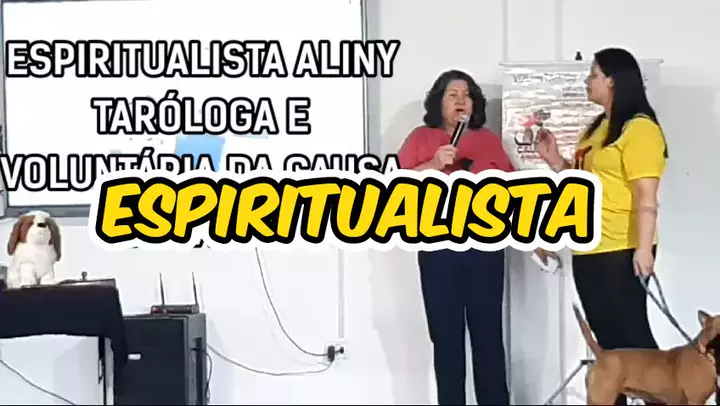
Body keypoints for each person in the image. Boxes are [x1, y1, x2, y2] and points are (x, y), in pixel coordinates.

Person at [536, 48, 668, 406]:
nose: (587, 80)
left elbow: (646, 194)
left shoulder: (639, 129)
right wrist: (556, 162)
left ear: (613, 80)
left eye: (593, 74)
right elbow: (584, 184)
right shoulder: (596, 128)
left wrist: (644, 249)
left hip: (620, 248)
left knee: (635, 344)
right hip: (589, 248)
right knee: (609, 352)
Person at [397, 69, 514, 405]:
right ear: (439, 102)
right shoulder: (421, 138)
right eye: (453, 94)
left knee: (488, 338)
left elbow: (513, 191)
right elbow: (396, 188)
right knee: (447, 340)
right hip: (439, 250)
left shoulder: (488, 140)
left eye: (467, 95)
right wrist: (434, 164)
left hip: (485, 249)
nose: (462, 100)